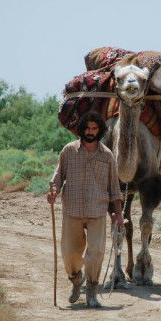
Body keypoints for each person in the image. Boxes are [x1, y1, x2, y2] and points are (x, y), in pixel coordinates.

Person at [47, 111, 123, 308]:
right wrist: (53, 191)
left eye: (94, 128)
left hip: (97, 210)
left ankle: (91, 291)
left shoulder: (107, 156)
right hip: (72, 209)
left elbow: (115, 188)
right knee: (70, 254)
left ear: (99, 130)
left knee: (95, 253)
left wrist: (118, 214)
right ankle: (75, 280)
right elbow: (58, 176)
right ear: (82, 129)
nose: (90, 132)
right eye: (87, 128)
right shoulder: (69, 151)